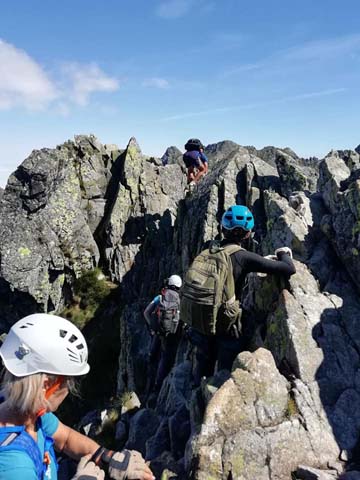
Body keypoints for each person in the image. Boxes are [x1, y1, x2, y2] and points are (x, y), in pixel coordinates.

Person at [0, 313, 154, 480]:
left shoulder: (24, 411)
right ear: (46, 385)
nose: (69, 388)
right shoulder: (14, 465)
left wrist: (105, 457)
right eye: (68, 380)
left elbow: (65, 438)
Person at [182, 205, 296, 386]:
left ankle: (197, 401)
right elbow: (288, 268)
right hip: (225, 326)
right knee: (224, 374)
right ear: (247, 233)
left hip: (200, 323)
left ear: (223, 228)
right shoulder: (244, 258)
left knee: (202, 367)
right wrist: (282, 253)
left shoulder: (208, 250)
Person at [144, 275, 182, 392]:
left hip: (157, 331)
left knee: (153, 354)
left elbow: (146, 312)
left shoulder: (160, 297)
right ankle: (158, 384)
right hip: (170, 335)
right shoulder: (179, 300)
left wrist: (152, 325)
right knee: (165, 358)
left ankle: (149, 377)